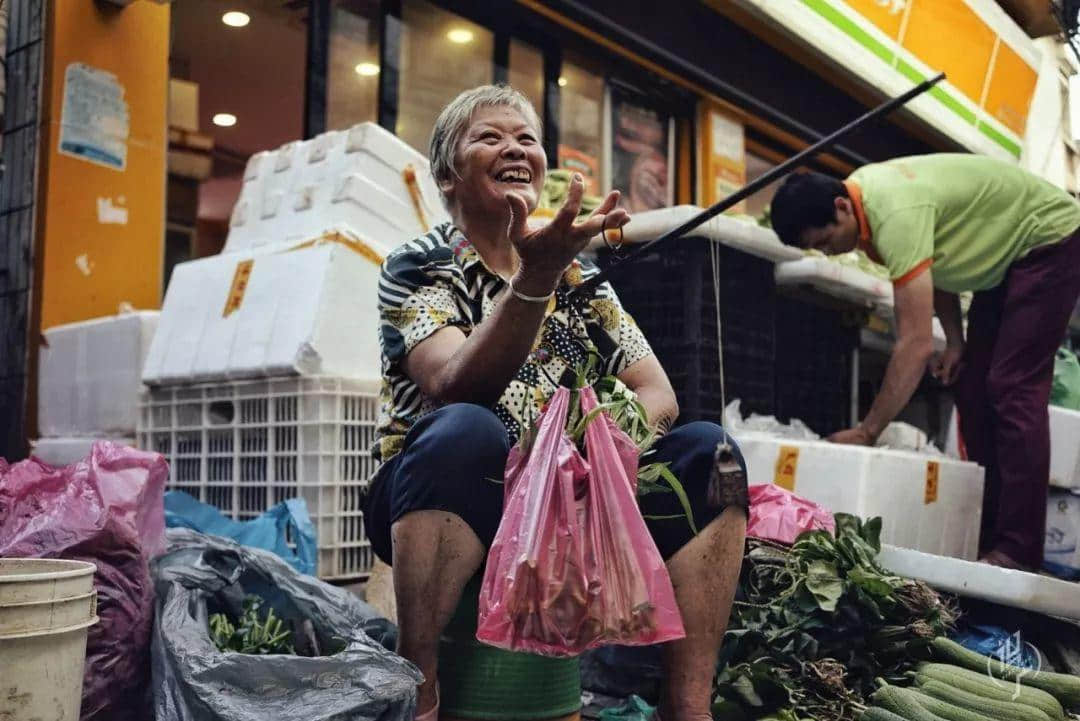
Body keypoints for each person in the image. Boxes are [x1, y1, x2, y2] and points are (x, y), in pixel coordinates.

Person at [363, 84, 748, 721]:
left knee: (712, 456)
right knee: (465, 430)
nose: (515, 149)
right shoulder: (420, 265)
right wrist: (533, 279)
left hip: (577, 498)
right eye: (489, 137)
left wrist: (596, 459)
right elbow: (453, 384)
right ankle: (421, 682)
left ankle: (689, 706)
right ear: (447, 175)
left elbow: (657, 392)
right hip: (439, 488)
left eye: (527, 139)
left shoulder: (579, 277)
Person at [770, 153, 1080, 571]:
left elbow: (914, 344)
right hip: (1003, 259)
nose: (828, 253)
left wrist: (867, 430)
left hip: (1048, 238)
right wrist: (955, 341)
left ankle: (1019, 550)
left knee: (1012, 387)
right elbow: (938, 262)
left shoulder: (892, 213)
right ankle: (987, 536)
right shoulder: (863, 200)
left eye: (825, 241)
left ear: (841, 207)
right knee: (972, 386)